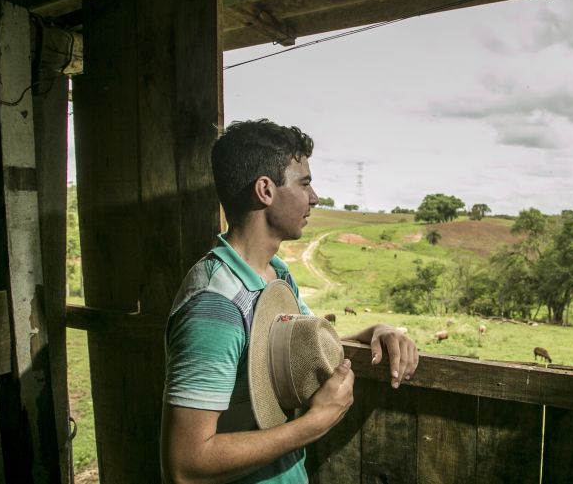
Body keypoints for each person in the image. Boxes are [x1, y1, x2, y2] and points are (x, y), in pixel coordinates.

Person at [160, 119, 419, 484]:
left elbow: (301, 349)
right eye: (305, 183)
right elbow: (185, 465)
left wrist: (377, 330)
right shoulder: (215, 304)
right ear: (265, 190)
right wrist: (314, 423)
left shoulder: (276, 275)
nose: (314, 197)